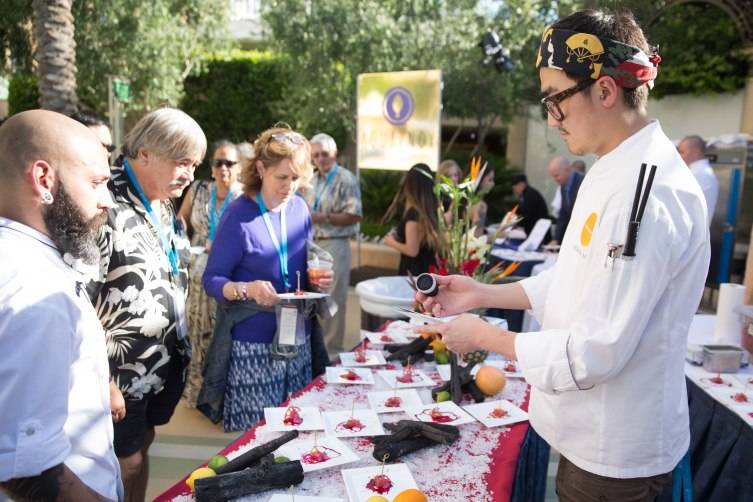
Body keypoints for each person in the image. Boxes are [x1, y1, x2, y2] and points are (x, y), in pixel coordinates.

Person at [416, 9, 708, 501]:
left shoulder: (647, 193)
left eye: (556, 100)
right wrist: (481, 293)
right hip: (590, 434)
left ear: (606, 90)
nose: (552, 120)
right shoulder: (611, 167)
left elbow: (599, 349)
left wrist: (487, 336)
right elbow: (575, 279)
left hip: (614, 453)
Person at [0, 110, 120, 501]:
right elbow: (27, 468)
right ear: (43, 178)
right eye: (97, 183)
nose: (107, 201)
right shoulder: (33, 285)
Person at [86, 107, 205, 502]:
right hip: (120, 372)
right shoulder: (102, 200)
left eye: (194, 164)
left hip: (162, 363)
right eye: (182, 161)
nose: (189, 173)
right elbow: (79, 297)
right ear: (146, 152)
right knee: (124, 464)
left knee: (142, 450)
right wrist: (102, 379)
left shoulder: (164, 202)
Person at [202, 127, 333, 432]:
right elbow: (211, 280)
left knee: (296, 430)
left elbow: (300, 267)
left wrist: (318, 280)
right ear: (261, 169)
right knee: (256, 438)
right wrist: (248, 289)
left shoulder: (300, 208)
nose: (290, 186)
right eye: (282, 177)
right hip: (253, 345)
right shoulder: (239, 214)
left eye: (296, 178)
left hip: (296, 340)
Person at [178, 140, 242, 408]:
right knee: (196, 332)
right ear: (212, 167)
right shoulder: (198, 189)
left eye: (229, 163)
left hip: (227, 276)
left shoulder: (243, 197)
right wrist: (180, 236)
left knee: (220, 335)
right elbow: (180, 217)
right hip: (195, 274)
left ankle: (219, 399)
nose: (223, 168)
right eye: (218, 162)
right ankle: (195, 393)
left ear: (239, 167)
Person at [306, 133, 362, 354]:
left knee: (333, 302)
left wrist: (324, 217)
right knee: (315, 300)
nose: (321, 158)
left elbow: (355, 214)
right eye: (316, 155)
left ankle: (332, 354)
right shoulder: (312, 179)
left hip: (335, 244)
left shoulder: (346, 178)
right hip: (312, 246)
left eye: (325, 154)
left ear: (335, 153)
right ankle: (317, 354)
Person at [382, 163, 440, 276]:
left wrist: (390, 241)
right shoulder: (431, 212)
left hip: (413, 273)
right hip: (428, 270)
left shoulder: (413, 215)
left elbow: (412, 250)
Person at [678, 134, 718, 225]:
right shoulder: (701, 172)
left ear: (695, 152)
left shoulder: (698, 174)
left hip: (691, 236)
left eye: (682, 152)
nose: (679, 156)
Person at [547, 155, 583, 244]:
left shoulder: (582, 181)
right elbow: (563, 213)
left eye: (556, 175)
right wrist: (556, 239)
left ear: (567, 169)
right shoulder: (563, 186)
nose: (555, 179)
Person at [470, 163, 495, 237]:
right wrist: (497, 234)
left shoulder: (460, 200)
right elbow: (476, 237)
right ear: (479, 180)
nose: (493, 184)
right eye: (490, 180)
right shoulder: (481, 205)